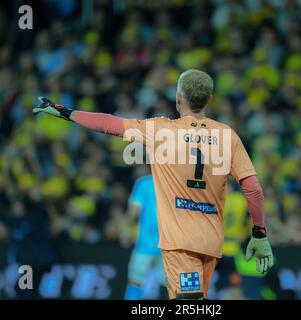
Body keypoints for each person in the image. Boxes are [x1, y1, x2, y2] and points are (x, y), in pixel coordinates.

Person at [33, 69, 274, 300]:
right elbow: (252, 187)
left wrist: (65, 112)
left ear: (178, 99)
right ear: (209, 100)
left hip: (181, 243)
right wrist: (260, 233)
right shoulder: (227, 135)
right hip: (210, 241)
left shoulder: (162, 130)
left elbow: (109, 124)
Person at [123, 166, 166, 299]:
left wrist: (126, 230)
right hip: (166, 244)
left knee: (135, 282)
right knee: (171, 285)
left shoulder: (144, 183)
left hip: (148, 244)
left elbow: (133, 212)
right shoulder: (177, 182)